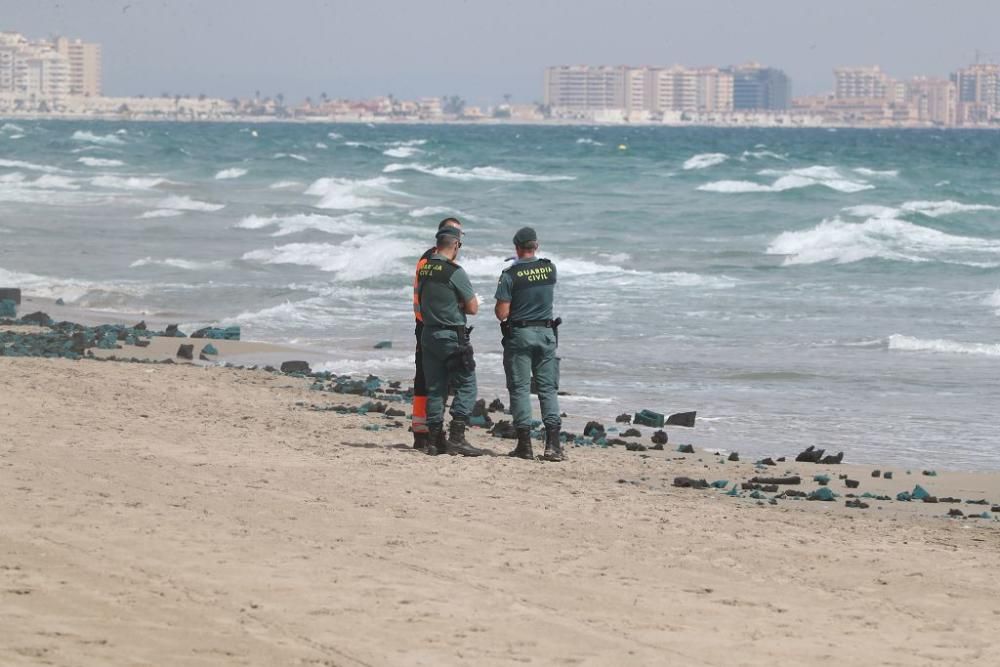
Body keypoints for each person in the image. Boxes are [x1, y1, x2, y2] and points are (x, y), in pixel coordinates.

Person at [494, 227, 564, 462]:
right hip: (546, 334)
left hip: (520, 335)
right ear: (536, 245)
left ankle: (524, 445)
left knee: (521, 388)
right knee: (547, 389)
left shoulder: (509, 275)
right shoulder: (549, 268)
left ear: (516, 247)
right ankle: (553, 445)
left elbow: (502, 313)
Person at [417, 225, 483, 456]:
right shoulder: (455, 271)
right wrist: (460, 304)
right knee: (467, 384)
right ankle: (457, 436)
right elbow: (473, 308)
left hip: (428, 334)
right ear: (455, 245)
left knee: (436, 388)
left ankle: (434, 440)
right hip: (451, 336)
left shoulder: (424, 269)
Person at [410, 217, 463, 452]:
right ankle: (425, 433)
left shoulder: (436, 260)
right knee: (428, 379)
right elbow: (427, 297)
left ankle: (431, 431)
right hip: (429, 326)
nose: (458, 241)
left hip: (430, 325)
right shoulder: (430, 261)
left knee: (434, 379)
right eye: (455, 234)